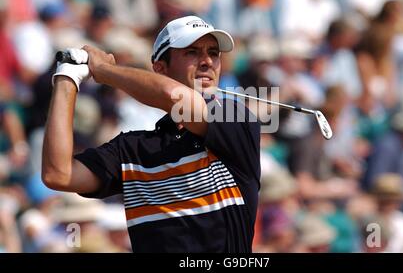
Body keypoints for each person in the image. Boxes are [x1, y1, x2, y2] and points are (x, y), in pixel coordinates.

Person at [42, 15, 261, 252]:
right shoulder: (132, 150)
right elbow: (58, 174)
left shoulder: (236, 118)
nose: (207, 61)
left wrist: (104, 71)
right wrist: (67, 78)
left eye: (213, 53)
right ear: (160, 69)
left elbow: (174, 97)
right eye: (192, 52)